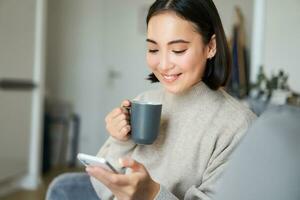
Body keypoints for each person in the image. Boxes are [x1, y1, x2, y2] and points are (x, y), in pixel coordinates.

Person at [46, 0, 256, 199]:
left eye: (178, 50)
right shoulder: (144, 101)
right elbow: (104, 190)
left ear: (210, 46)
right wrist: (120, 141)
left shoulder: (237, 126)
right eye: (153, 49)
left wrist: (151, 195)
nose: (163, 65)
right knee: (62, 187)